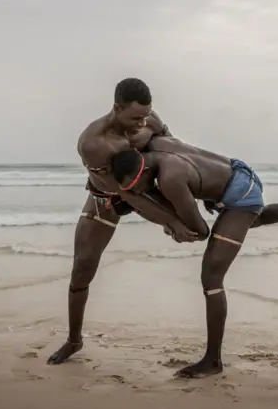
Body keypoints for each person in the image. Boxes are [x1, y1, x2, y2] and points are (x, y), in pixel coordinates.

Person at [108, 136, 278, 378]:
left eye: (138, 185)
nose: (140, 190)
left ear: (143, 168)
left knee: (211, 276)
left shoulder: (169, 179)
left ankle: (213, 360)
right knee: (254, 217)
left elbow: (200, 232)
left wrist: (174, 228)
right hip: (237, 173)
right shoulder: (157, 144)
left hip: (239, 193)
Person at [47, 78, 207, 366]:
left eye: (145, 115)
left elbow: (174, 151)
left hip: (146, 187)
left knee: (198, 228)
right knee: (82, 269)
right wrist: (169, 221)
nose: (141, 122)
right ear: (116, 108)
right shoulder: (94, 143)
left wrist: (196, 190)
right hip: (108, 200)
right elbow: (127, 194)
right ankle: (74, 340)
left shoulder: (149, 120)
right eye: (134, 117)